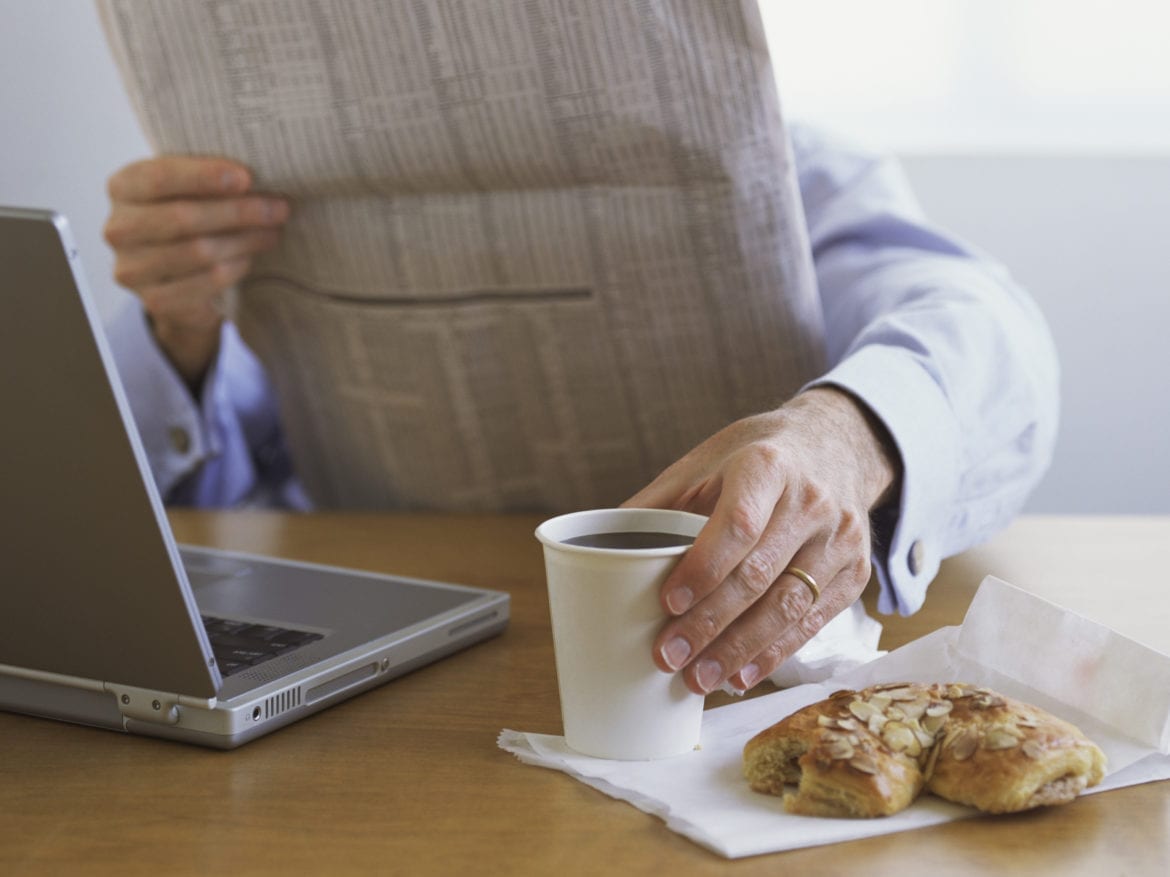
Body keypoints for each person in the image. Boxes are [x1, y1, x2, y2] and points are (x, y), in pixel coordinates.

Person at [101, 122, 1059, 698]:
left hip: (706, 692)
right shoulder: (285, 193)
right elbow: (209, 501)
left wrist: (848, 432)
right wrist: (180, 327)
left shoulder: (792, 167)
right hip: (397, 666)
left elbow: (994, 332)